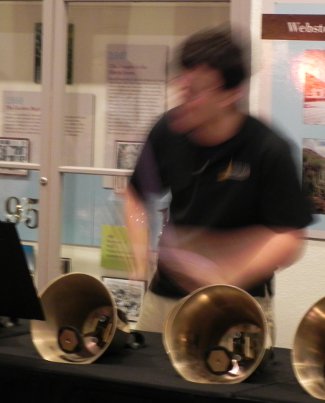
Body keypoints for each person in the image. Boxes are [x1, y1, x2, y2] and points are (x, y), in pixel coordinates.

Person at [123, 26, 313, 342]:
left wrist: (227, 276)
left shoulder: (267, 148)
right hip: (165, 297)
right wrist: (140, 261)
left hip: (238, 305)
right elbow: (135, 196)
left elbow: (290, 236)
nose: (183, 97)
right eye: (180, 84)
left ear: (230, 94)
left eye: (195, 90)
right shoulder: (166, 131)